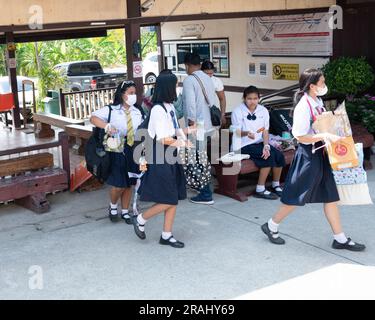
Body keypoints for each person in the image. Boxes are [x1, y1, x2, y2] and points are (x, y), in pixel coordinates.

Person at [261, 68, 366, 252]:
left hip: (322, 154)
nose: (325, 85)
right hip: (309, 155)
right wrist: (325, 134)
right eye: (322, 83)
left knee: (330, 196)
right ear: (312, 86)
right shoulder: (304, 105)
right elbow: (300, 136)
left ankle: (340, 238)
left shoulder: (317, 100)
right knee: (296, 196)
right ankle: (271, 225)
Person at [132, 72, 194, 249]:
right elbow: (162, 138)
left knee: (173, 196)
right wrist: (182, 142)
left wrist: (187, 132)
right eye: (174, 85)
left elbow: (174, 129)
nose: (176, 88)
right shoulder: (158, 110)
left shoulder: (170, 107)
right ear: (168, 87)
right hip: (159, 157)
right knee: (169, 199)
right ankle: (140, 219)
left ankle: (166, 235)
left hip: (170, 155)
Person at [90, 80, 143, 224]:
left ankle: (125, 211)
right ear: (122, 94)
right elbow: (93, 118)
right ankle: (113, 206)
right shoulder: (111, 110)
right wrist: (106, 125)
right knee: (119, 183)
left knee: (129, 182)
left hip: (133, 149)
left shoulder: (138, 111)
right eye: (130, 93)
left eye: (135, 93)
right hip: (116, 149)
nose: (134, 96)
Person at [231, 86, 286, 200]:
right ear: (244, 98)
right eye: (249, 98)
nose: (252, 101)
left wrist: (266, 145)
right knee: (267, 157)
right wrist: (246, 133)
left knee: (279, 155)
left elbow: (265, 130)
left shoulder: (263, 110)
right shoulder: (238, 111)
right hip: (242, 145)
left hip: (258, 142)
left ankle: (275, 185)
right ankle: (260, 189)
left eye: (255, 98)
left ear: (259, 98)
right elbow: (235, 131)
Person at [183, 53, 217, 205]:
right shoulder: (207, 78)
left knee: (197, 159)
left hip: (197, 125)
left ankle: (205, 193)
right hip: (208, 124)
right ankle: (202, 187)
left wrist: (191, 124)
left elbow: (190, 104)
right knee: (201, 157)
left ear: (188, 65)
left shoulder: (190, 80)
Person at [201, 60, 227, 126]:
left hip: (211, 113)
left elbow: (222, 98)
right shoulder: (196, 80)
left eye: (211, 73)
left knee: (212, 134)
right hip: (199, 114)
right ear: (201, 71)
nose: (209, 76)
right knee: (199, 134)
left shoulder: (216, 81)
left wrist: (223, 114)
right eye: (207, 73)